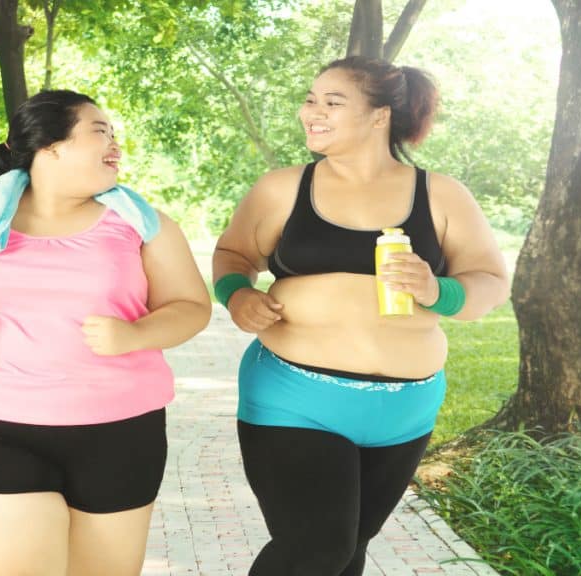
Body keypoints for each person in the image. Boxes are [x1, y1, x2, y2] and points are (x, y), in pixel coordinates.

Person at [212, 56, 510, 575]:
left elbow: (489, 282)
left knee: (348, 551)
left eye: (332, 102)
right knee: (317, 547)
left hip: (405, 410)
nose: (312, 112)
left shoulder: (440, 194)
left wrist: (438, 291)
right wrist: (238, 297)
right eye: (310, 99)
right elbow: (233, 256)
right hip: (295, 399)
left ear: (380, 117)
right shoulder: (282, 188)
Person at [0, 89, 211, 576]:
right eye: (100, 131)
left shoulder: (141, 226)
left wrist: (134, 334)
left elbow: (191, 307)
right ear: (51, 146)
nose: (115, 144)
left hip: (119, 433)